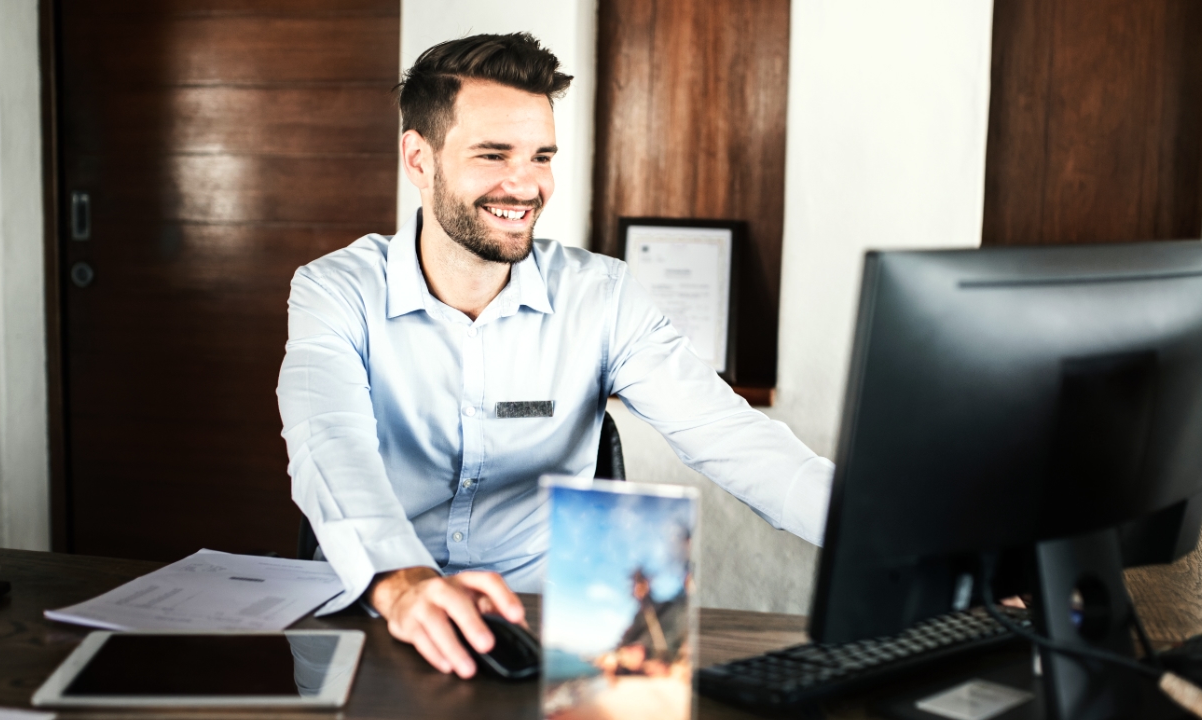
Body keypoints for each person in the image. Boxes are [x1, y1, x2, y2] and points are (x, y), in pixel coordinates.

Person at [276, 32, 835, 679]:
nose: (526, 185)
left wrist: (905, 548)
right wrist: (402, 583)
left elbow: (736, 439)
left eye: (541, 156)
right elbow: (328, 446)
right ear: (418, 159)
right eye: (493, 154)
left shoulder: (603, 295)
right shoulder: (332, 290)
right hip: (378, 610)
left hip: (551, 630)